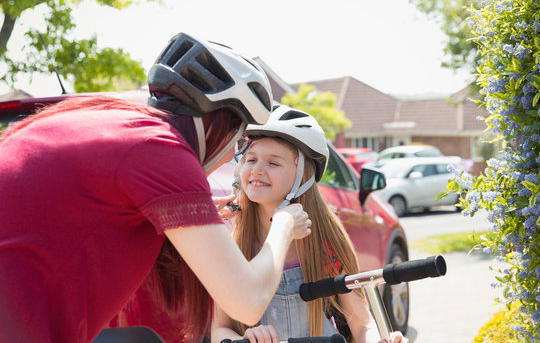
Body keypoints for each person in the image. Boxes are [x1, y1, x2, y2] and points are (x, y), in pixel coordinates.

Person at [0, 33, 312, 343]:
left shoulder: (116, 120)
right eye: (241, 140)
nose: (235, 154)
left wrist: (185, 211)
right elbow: (248, 302)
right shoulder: (161, 148)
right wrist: (283, 223)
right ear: (220, 123)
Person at [211, 105, 408, 343]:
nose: (257, 170)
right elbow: (218, 330)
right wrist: (244, 337)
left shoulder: (324, 243)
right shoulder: (235, 241)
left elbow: (361, 322)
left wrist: (377, 340)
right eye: (250, 159)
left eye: (273, 163)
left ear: (302, 175)